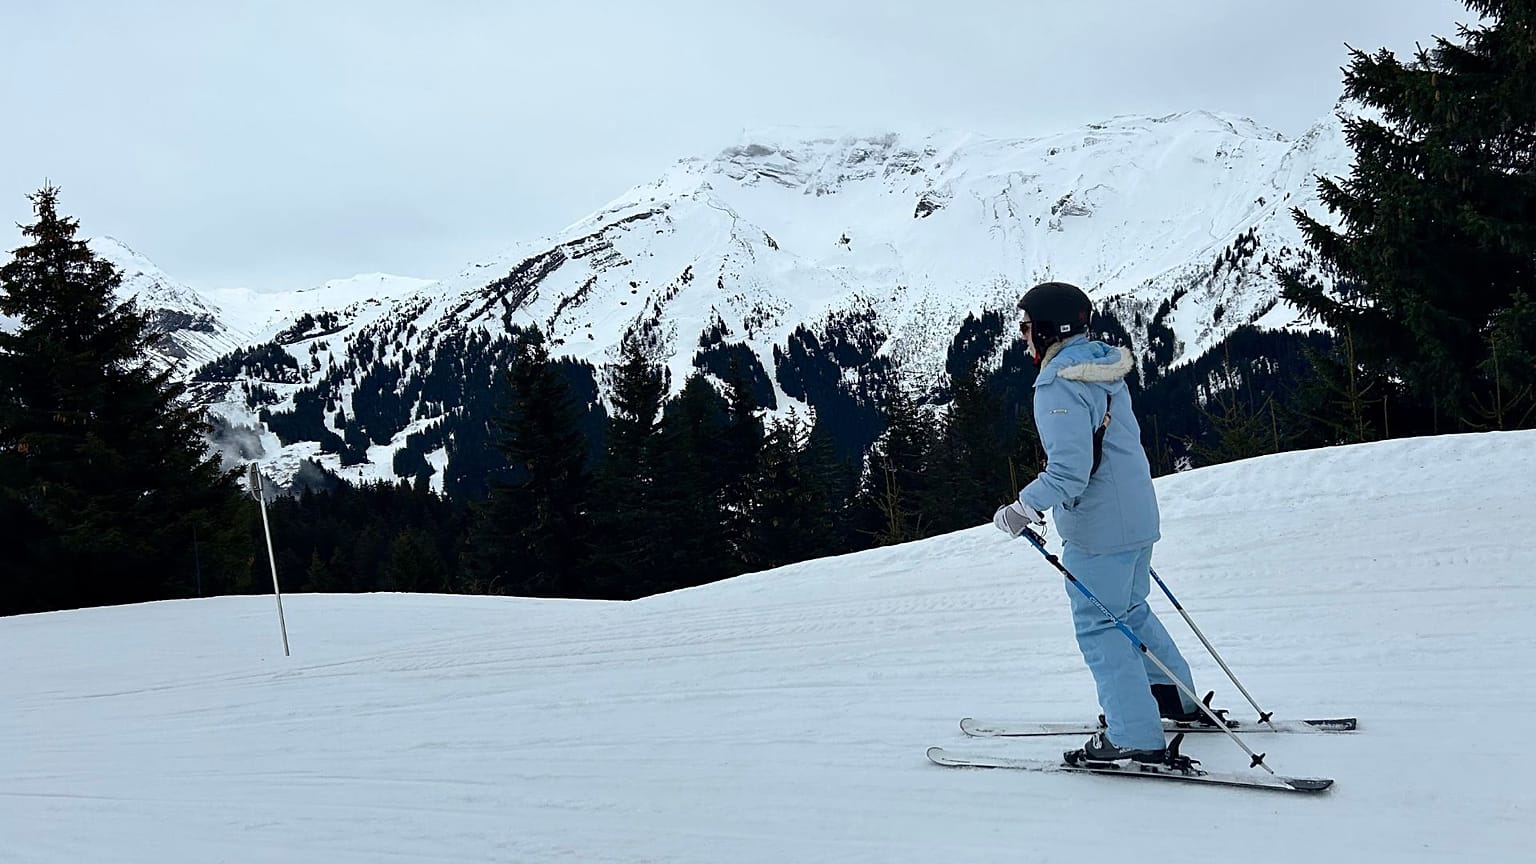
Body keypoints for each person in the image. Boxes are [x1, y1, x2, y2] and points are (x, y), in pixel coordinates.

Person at [992, 280, 1205, 764]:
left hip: (1100, 529)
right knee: (1129, 613)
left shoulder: (1058, 383)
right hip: (1136, 516)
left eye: (1027, 327)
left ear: (1048, 330)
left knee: (1101, 626)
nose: (1023, 336)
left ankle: (1134, 734)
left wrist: (1022, 509)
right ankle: (1172, 699)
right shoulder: (1102, 368)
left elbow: (1069, 471)